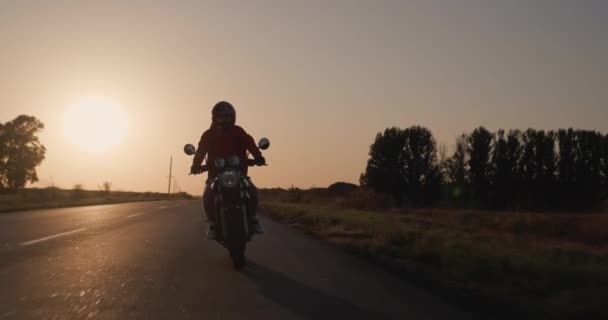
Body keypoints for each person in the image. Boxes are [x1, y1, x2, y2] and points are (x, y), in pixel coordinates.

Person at [191, 101, 265, 239]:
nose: (224, 120)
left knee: (252, 190)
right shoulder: (209, 134)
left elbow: (250, 144)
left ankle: (253, 219)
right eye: (220, 117)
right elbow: (201, 150)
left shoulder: (238, 131)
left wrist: (258, 156)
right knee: (207, 194)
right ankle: (212, 223)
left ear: (233, 117)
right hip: (215, 174)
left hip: (239, 173)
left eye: (227, 117)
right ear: (214, 118)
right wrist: (195, 165)